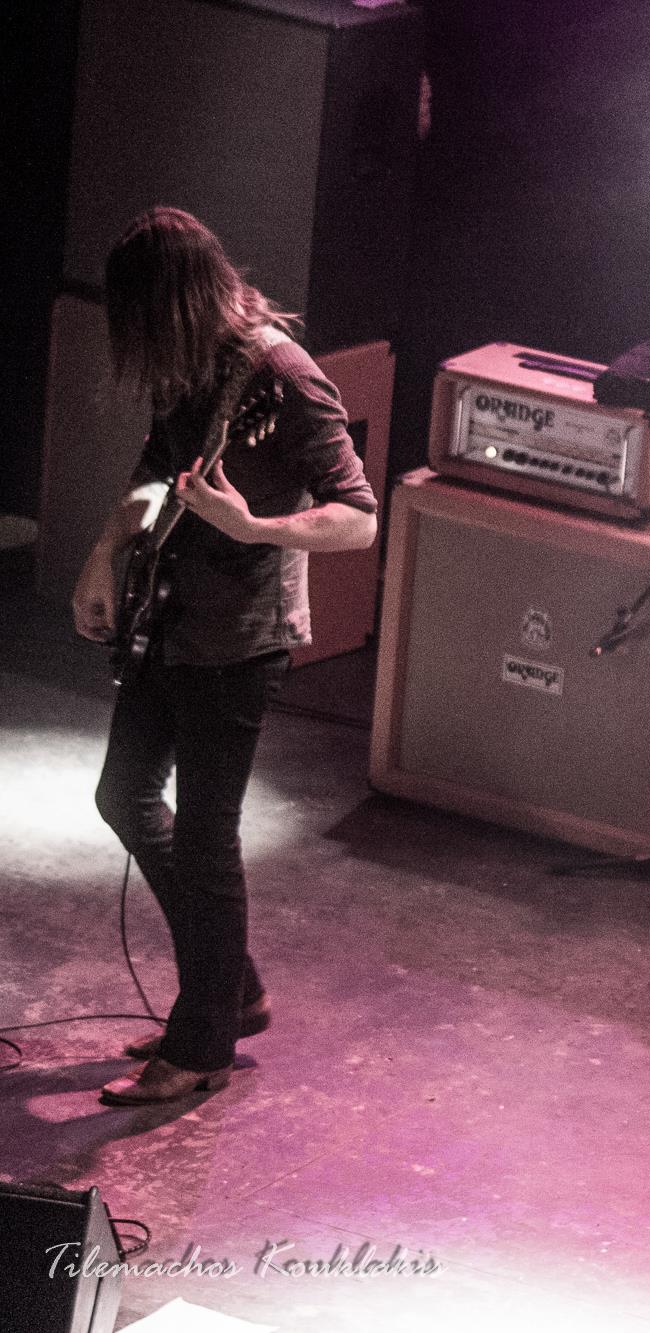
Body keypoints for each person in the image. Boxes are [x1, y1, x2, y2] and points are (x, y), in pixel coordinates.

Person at [71, 207, 378, 1106]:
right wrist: (105, 551)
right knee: (123, 794)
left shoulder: (285, 375)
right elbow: (154, 470)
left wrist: (255, 526)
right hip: (172, 618)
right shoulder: (189, 363)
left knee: (208, 838)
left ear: (170, 303)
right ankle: (230, 985)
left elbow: (359, 518)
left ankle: (203, 1042)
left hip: (240, 639)